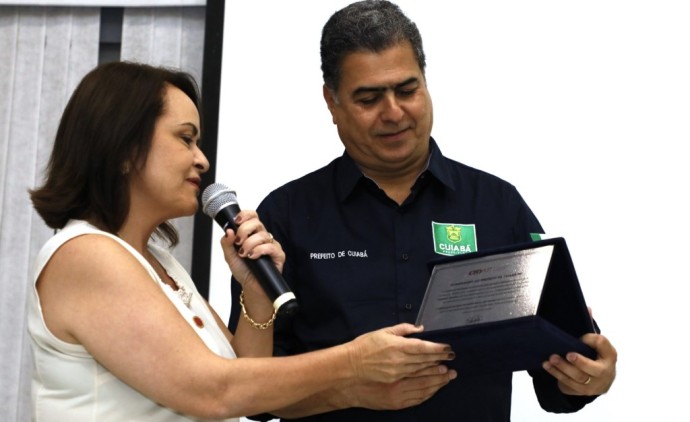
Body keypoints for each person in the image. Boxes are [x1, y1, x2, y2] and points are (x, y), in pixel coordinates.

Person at [228, 1, 618, 421]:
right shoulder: (286, 215)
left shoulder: (497, 204)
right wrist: (348, 387)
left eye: (407, 90)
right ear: (332, 101)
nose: (393, 113)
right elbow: (255, 392)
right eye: (369, 98)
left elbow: (557, 370)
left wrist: (588, 374)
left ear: (426, 84)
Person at [26, 61, 457, 421]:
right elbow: (214, 391)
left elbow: (246, 386)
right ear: (123, 148)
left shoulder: (156, 260)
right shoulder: (87, 254)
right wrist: (354, 362)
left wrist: (255, 293)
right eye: (185, 139)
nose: (202, 159)